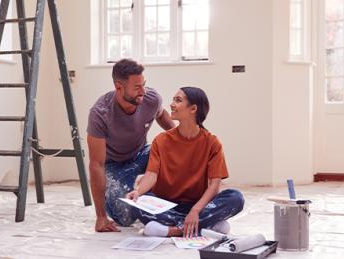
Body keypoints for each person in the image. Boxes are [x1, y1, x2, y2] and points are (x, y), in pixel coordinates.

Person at [126, 86, 244, 237]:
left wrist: (195, 211)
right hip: (165, 205)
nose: (172, 104)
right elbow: (151, 175)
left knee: (235, 197)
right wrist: (137, 192)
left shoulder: (212, 143)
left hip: (198, 205)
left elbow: (215, 185)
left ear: (193, 108)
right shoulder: (161, 140)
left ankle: (174, 230)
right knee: (139, 203)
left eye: (178, 100)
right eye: (173, 100)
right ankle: (205, 226)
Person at [87, 59, 175, 232]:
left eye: (144, 85)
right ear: (119, 87)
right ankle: (141, 196)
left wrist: (182, 138)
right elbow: (96, 164)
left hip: (141, 155)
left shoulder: (151, 99)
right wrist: (101, 217)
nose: (143, 91)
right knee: (124, 217)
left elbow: (161, 114)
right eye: (137, 87)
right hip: (114, 165)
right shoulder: (100, 113)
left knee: (172, 148)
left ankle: (161, 198)